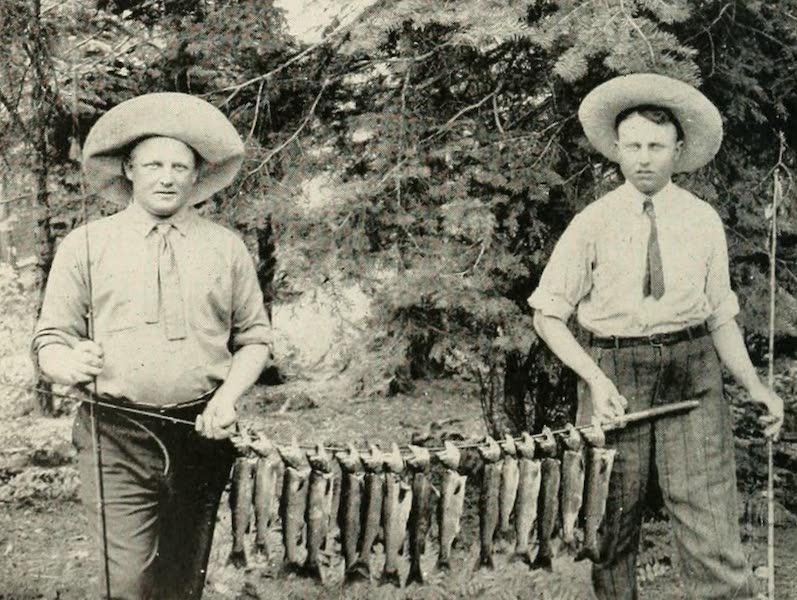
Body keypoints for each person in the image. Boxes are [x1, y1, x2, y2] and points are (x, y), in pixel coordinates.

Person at [528, 73, 783, 599]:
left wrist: (754, 386)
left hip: (692, 375)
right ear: (617, 149)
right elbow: (547, 315)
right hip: (613, 375)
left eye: (657, 146)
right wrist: (596, 381)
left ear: (678, 150)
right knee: (610, 526)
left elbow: (720, 316)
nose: (644, 158)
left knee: (709, 521)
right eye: (634, 146)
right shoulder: (592, 223)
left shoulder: (703, 221)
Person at [32, 93, 272, 599]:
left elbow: (255, 339)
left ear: (195, 174)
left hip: (201, 434)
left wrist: (226, 399)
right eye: (154, 164)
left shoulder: (225, 248)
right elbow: (48, 341)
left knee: (182, 583)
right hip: (113, 433)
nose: (167, 177)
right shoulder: (87, 245)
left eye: (179, 166)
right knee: (126, 584)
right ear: (129, 169)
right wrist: (66, 362)